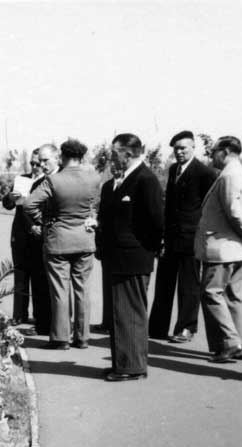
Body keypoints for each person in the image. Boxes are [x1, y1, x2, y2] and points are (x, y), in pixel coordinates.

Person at [95, 133, 164, 381]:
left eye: (114, 153)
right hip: (118, 259)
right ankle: (123, 364)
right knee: (119, 315)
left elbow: (156, 222)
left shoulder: (145, 179)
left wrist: (144, 250)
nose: (111, 157)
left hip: (133, 259)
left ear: (128, 153)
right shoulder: (123, 179)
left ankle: (132, 367)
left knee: (130, 314)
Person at [24, 138, 100, 349]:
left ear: (63, 157)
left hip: (58, 240)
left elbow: (29, 204)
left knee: (59, 290)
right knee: (83, 289)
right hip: (85, 239)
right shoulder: (93, 178)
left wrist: (45, 220)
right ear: (81, 156)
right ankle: (83, 337)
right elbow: (95, 205)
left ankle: (60, 338)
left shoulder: (54, 180)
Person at [194, 136, 242, 363]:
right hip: (235, 248)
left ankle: (231, 343)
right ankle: (240, 344)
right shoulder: (241, 174)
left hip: (223, 248)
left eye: (213, 151)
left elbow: (234, 211)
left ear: (226, 151)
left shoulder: (230, 175)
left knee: (212, 293)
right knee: (233, 296)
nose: (211, 155)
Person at [149, 130, 218, 343]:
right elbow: (169, 205)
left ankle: (186, 328)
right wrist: (162, 235)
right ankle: (156, 328)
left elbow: (210, 206)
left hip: (192, 237)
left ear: (193, 147)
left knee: (189, 285)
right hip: (171, 237)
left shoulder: (205, 173)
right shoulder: (173, 170)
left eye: (183, 148)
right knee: (164, 283)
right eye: (176, 149)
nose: (179, 152)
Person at [1, 145, 56, 332]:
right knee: (20, 276)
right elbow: (8, 204)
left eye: (38, 163)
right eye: (32, 163)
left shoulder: (49, 181)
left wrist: (38, 225)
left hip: (38, 234)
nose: (35, 166)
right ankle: (19, 314)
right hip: (20, 235)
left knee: (40, 279)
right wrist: (10, 196)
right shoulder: (22, 179)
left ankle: (40, 318)